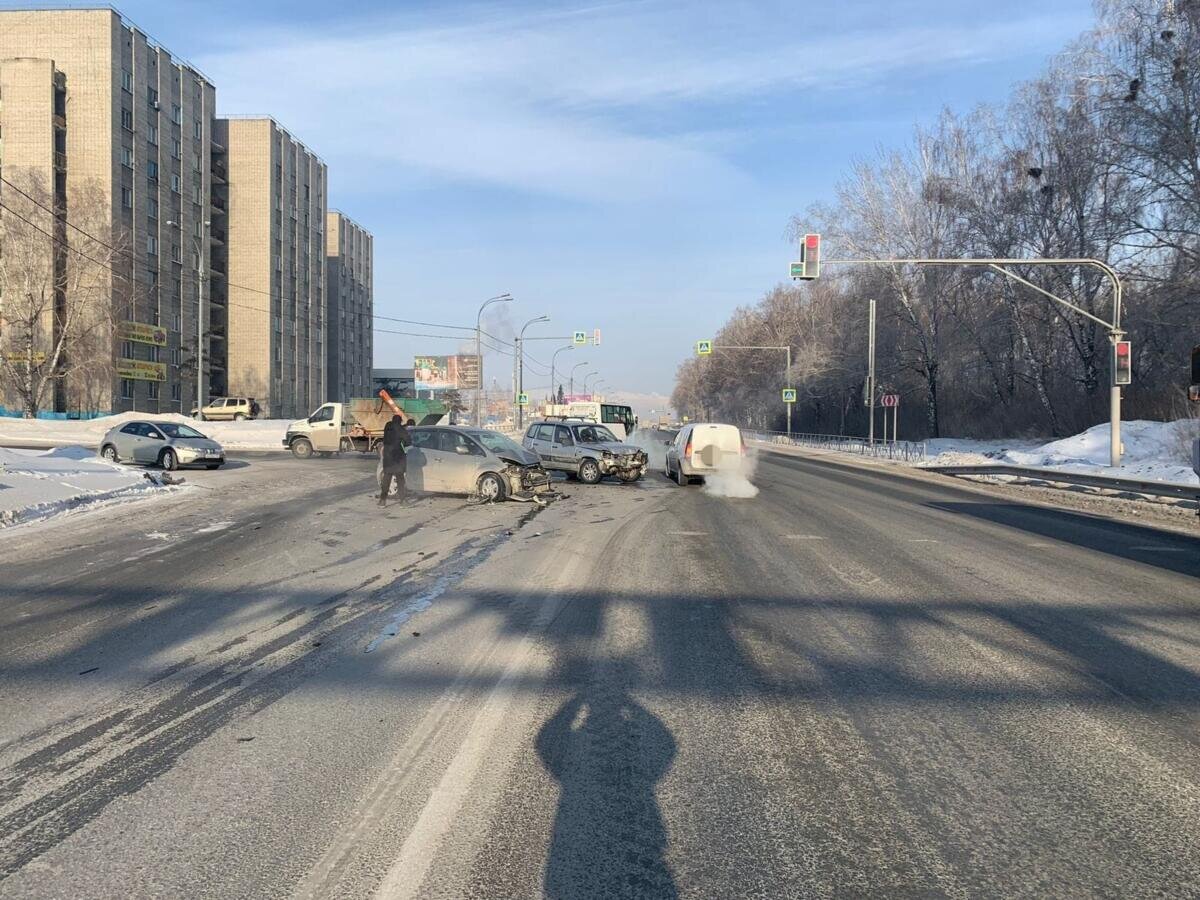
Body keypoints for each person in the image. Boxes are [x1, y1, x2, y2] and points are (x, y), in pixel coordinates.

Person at [378, 414, 411, 507]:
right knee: (400, 480)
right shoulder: (400, 429)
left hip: (388, 457)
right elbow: (408, 441)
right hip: (398, 458)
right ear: (400, 421)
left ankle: (382, 501)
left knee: (386, 480)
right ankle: (403, 501)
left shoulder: (387, 427)